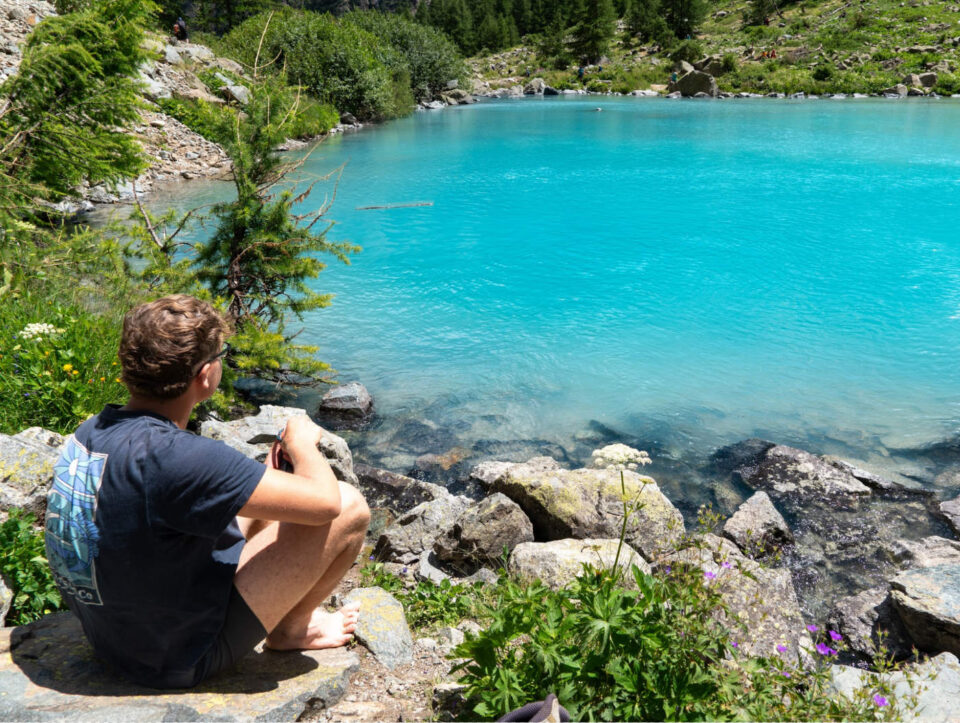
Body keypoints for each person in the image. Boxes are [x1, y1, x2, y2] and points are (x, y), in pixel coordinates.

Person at [44, 295, 370, 689]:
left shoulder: (92, 430)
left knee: (266, 495)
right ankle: (293, 631)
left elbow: (166, 494)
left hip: (111, 634)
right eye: (221, 354)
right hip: (173, 658)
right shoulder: (180, 458)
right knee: (349, 506)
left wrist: (267, 479)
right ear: (206, 375)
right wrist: (303, 446)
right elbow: (325, 505)